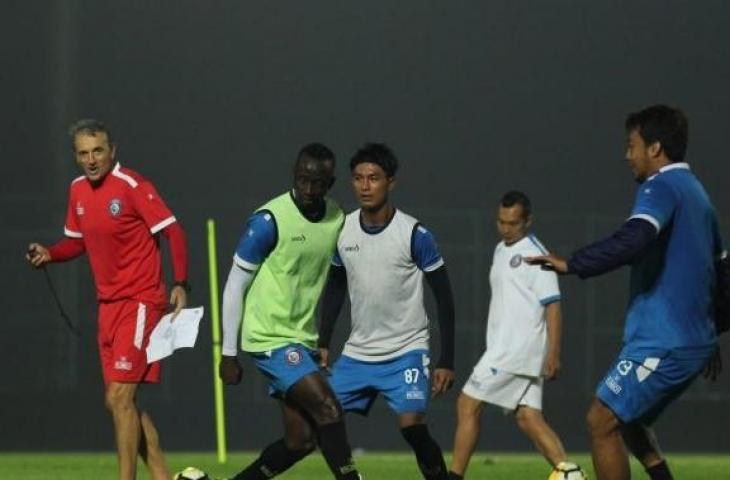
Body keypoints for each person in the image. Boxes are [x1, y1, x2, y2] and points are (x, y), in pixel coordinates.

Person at [527, 105, 723, 480]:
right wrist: (713, 330)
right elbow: (722, 269)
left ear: (655, 148)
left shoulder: (661, 186)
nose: (626, 155)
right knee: (630, 422)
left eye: (631, 145)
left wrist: (575, 263)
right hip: (687, 339)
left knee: (601, 420)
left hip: (664, 341)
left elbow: (635, 238)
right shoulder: (698, 194)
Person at [26, 119, 189, 480]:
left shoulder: (133, 186)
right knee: (120, 402)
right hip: (109, 307)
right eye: (83, 153)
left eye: (98, 150)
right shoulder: (78, 191)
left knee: (119, 398)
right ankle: (163, 476)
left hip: (141, 302)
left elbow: (173, 230)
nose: (91, 159)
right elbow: (77, 241)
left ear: (112, 150)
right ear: (76, 157)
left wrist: (180, 282)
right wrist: (51, 254)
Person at [218, 143, 362, 480]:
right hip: (269, 336)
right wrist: (227, 353)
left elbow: (342, 274)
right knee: (328, 407)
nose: (309, 189)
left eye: (318, 183)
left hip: (301, 339)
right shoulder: (269, 221)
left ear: (331, 182)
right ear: (294, 176)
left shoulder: (336, 216)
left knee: (299, 442)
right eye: (302, 180)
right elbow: (235, 285)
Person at [318, 143, 456, 480]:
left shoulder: (414, 234)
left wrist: (446, 360)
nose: (365, 186)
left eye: (374, 178)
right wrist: (324, 341)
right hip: (358, 353)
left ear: (390, 183)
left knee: (411, 426)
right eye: (358, 178)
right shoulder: (343, 230)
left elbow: (444, 298)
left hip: (406, 351)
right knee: (320, 417)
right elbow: (335, 288)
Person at [448, 191, 576, 479]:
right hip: (510, 349)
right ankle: (572, 476)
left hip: (513, 351)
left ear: (528, 221)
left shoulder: (535, 256)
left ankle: (454, 476)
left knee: (467, 403)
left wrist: (554, 353)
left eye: (513, 223)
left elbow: (553, 305)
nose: (505, 228)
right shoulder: (500, 249)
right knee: (529, 418)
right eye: (500, 221)